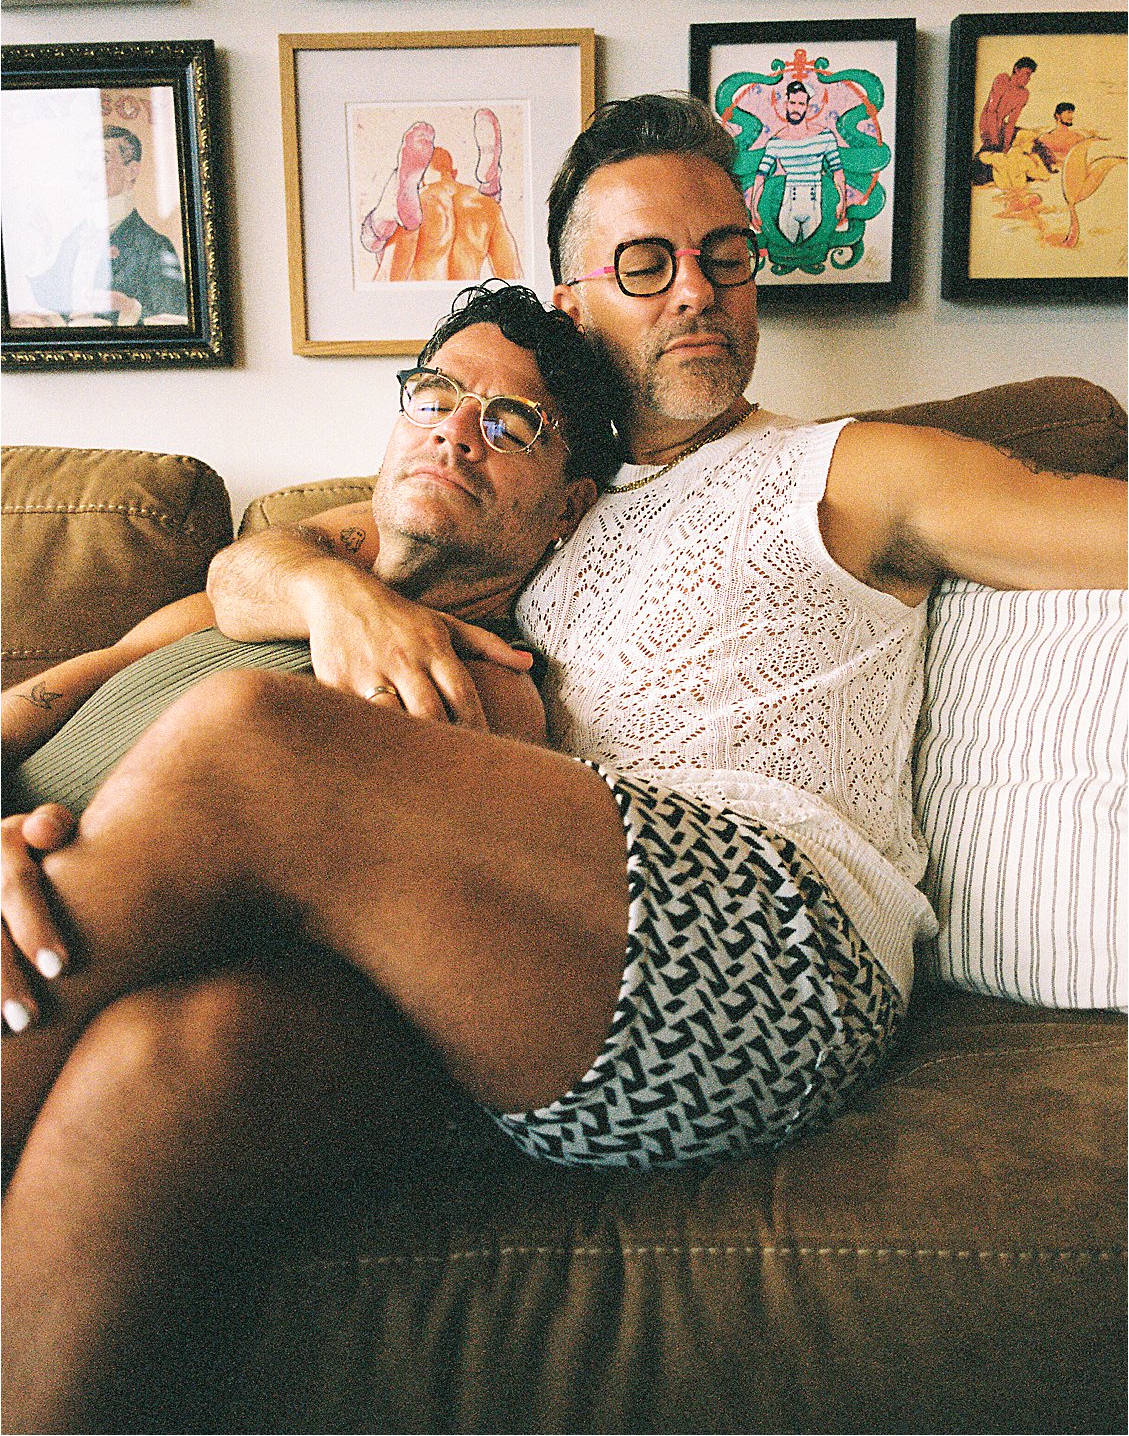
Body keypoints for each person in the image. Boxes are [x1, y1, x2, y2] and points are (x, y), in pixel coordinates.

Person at [3, 97, 1125, 1427]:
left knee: (255, 741)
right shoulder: (533, 491)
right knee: (171, 1061)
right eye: (645, 262)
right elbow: (251, 569)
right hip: (525, 974)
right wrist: (331, 596)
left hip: (768, 950)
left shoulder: (850, 469)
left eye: (726, 254)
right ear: (573, 295)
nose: (697, 292)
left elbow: (1091, 524)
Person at [1, 281, 620, 1431]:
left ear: (568, 508)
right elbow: (30, 706)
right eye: (436, 395)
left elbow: (295, 936)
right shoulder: (240, 602)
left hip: (61, 943)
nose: (454, 428)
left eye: (510, 422)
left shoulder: (479, 697)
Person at [26, 125, 188, 327]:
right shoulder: (73, 239)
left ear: (131, 171)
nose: (87, 169)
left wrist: (130, 308)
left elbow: (177, 321)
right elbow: (49, 298)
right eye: (85, 161)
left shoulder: (153, 247)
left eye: (102, 159)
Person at [360, 112, 522, 280]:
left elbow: (390, 279)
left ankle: (382, 217)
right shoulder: (488, 208)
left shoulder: (416, 206)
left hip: (424, 303)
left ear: (421, 178)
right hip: (469, 302)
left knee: (378, 236)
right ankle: (490, 185)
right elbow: (512, 277)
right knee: (490, 204)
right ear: (454, 172)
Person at [748, 80, 849, 243]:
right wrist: (753, 209)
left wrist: (842, 202)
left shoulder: (825, 137)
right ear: (786, 104)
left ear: (808, 107)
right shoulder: (776, 142)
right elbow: (760, 177)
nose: (796, 108)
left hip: (814, 201)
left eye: (801, 103)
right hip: (789, 202)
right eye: (792, 102)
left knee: (810, 247)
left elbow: (838, 172)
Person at [977, 57, 1038, 154]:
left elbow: (1011, 123)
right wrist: (994, 139)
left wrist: (1006, 145)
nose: (1028, 79)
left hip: (1002, 126)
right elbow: (991, 111)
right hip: (987, 125)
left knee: (1031, 136)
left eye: (1030, 76)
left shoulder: (1024, 94)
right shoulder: (1002, 80)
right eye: (1026, 74)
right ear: (1016, 69)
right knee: (994, 149)